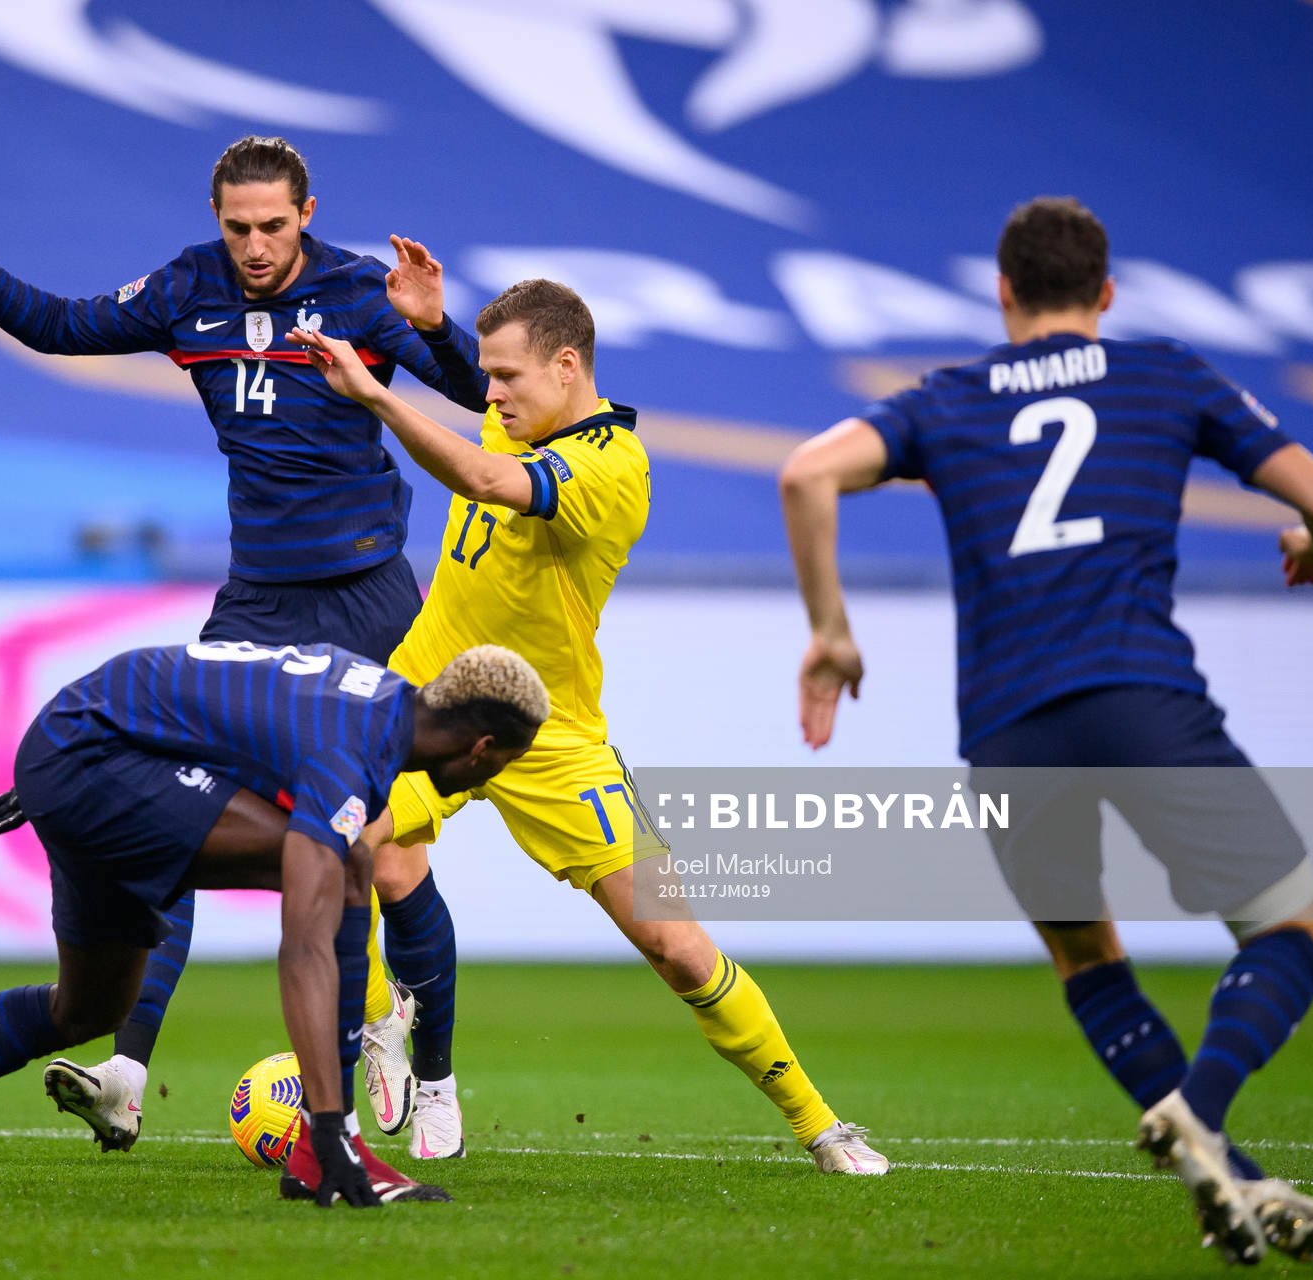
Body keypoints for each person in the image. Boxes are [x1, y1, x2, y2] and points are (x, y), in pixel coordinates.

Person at [777, 196, 1313, 1261]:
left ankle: (1224, 1165)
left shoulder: (949, 399)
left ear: (1002, 292)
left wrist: (831, 631)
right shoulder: (1168, 374)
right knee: (1291, 929)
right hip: (1142, 695)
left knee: (1085, 948)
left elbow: (806, 470)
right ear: (1106, 293)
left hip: (1005, 725)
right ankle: (1205, 1109)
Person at [0, 135, 489, 1142]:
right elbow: (61, 326)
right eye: (238, 226)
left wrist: (438, 329)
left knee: (381, 849)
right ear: (216, 217)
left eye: (274, 225)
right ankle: (126, 1072)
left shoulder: (365, 294)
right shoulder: (189, 288)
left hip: (369, 596)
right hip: (260, 605)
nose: (256, 245)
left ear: (307, 213)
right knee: (175, 822)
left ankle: (424, 1068)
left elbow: (478, 392)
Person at [283, 273, 888, 1173]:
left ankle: (819, 1123)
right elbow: (475, 397)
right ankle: (388, 1029)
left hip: (548, 733)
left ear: (568, 369)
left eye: (508, 379)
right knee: (335, 849)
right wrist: (435, 327)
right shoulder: (517, 408)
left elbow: (485, 477)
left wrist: (375, 394)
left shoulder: (612, 467)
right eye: (487, 379)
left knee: (675, 946)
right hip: (422, 705)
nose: (490, 395)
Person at [0, 639, 549, 1207]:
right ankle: (327, 1148)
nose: (488, 780)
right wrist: (329, 1117)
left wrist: (49, 773)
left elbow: (220, 699)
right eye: (501, 767)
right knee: (339, 870)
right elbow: (305, 944)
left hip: (87, 748)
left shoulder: (373, 700)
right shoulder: (356, 751)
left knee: (88, 1010)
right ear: (484, 749)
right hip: (96, 760)